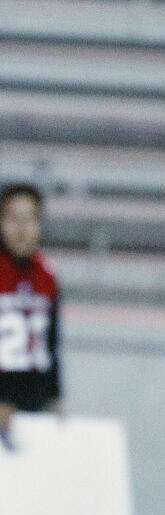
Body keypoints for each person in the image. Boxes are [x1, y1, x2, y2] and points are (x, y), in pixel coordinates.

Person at [0, 183, 62, 446]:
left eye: (29, 218)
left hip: (33, 404)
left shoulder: (48, 276)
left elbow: (51, 345)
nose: (21, 228)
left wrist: (55, 397)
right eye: (13, 217)